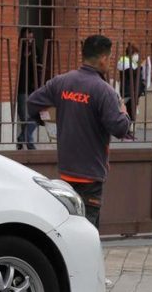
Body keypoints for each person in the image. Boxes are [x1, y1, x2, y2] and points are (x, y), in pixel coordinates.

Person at [27, 34, 132, 228]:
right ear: (103, 58)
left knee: (67, 225)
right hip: (91, 176)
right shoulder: (104, 91)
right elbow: (118, 128)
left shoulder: (61, 82)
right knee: (87, 230)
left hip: (66, 171)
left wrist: (49, 120)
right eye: (109, 58)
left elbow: (32, 102)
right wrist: (125, 114)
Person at [15, 27, 40, 150]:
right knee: (24, 116)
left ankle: (22, 137)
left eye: (31, 36)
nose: (30, 38)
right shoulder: (18, 49)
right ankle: (29, 143)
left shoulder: (35, 49)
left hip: (33, 88)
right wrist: (24, 56)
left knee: (36, 116)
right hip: (21, 87)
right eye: (27, 36)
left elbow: (38, 64)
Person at [117, 43, 143, 122]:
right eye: (135, 54)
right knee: (129, 114)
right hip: (129, 92)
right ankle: (127, 131)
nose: (137, 56)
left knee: (131, 113)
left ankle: (128, 130)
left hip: (132, 92)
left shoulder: (131, 63)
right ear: (131, 54)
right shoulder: (126, 62)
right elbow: (131, 74)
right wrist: (141, 67)